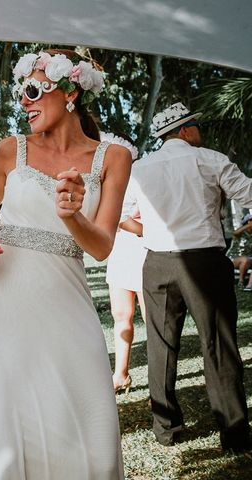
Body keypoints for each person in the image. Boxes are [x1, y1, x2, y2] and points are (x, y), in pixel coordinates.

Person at [0, 50, 131, 479]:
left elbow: (102, 247)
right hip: (4, 312)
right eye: (22, 92)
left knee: (89, 431)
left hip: (68, 312)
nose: (24, 101)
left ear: (71, 91)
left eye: (34, 90)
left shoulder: (112, 158)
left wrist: (72, 214)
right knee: (9, 434)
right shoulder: (9, 151)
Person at [121, 102, 252, 451]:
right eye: (196, 126)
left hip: (157, 262)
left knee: (161, 345)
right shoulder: (210, 159)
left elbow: (121, 217)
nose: (199, 131)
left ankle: (166, 429)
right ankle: (234, 434)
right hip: (203, 262)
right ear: (186, 130)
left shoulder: (140, 168)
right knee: (218, 344)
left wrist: (154, 232)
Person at [102, 133, 146, 394]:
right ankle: (121, 373)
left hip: (143, 250)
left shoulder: (141, 179)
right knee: (121, 316)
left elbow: (146, 221)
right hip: (120, 252)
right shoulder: (108, 183)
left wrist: (123, 222)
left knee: (152, 319)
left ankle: (161, 381)